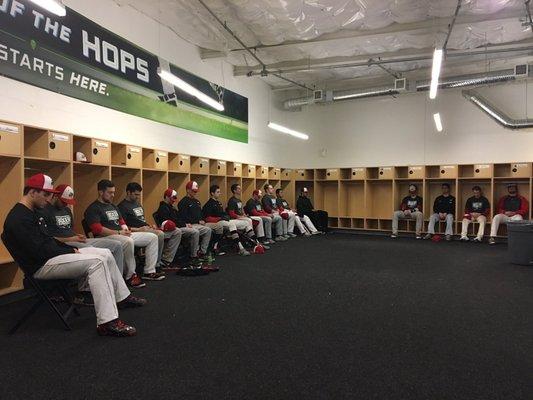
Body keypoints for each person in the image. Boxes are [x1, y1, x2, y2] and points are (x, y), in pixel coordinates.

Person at [2, 173, 145, 337]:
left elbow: (48, 241)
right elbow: (39, 251)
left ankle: (122, 297)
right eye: (46, 194)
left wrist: (68, 248)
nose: (49, 199)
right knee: (97, 262)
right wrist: (69, 250)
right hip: (41, 265)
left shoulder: (32, 212)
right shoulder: (19, 218)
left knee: (105, 253)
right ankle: (107, 322)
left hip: (51, 257)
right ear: (32, 192)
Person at [37, 184, 125, 305]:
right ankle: (84, 291)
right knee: (91, 250)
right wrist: (71, 238)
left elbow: (68, 229)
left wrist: (77, 236)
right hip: (63, 244)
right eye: (63, 201)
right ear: (55, 196)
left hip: (75, 239)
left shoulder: (67, 210)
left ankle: (117, 286)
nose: (66, 204)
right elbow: (48, 239)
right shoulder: (45, 211)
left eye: (67, 202)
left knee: (116, 245)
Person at [84, 179, 162, 287]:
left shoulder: (113, 206)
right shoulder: (93, 208)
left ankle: (149, 271)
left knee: (152, 237)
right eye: (110, 192)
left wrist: (126, 230)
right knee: (128, 241)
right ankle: (131, 276)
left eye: (113, 192)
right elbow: (97, 229)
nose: (113, 195)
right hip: (106, 237)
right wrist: (119, 233)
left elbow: (121, 222)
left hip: (120, 234)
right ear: (101, 192)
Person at [118, 182, 181, 271]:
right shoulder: (122, 207)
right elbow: (122, 227)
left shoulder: (138, 204)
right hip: (135, 232)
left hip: (145, 229)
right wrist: (138, 229)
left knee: (176, 231)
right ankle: (156, 264)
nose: (138, 197)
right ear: (128, 192)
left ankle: (166, 260)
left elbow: (141, 221)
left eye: (139, 195)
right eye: (136, 194)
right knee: (159, 234)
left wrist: (149, 225)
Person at [155, 188, 205, 265]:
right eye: (173, 198)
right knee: (194, 232)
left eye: (175, 198)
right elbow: (170, 222)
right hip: (170, 229)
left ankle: (193, 255)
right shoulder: (163, 208)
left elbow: (179, 218)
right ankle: (167, 259)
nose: (174, 200)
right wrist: (184, 225)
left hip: (177, 227)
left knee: (195, 230)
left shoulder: (171, 207)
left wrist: (185, 224)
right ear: (167, 197)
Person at [202, 185, 251, 256]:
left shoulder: (219, 203)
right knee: (231, 225)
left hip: (223, 221)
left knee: (246, 222)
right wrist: (220, 218)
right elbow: (207, 218)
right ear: (212, 193)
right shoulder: (209, 204)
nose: (220, 193)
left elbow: (223, 214)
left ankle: (253, 242)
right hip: (216, 222)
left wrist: (226, 216)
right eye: (218, 192)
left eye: (219, 192)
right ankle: (240, 247)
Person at [227, 183, 271, 248]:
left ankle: (256, 239)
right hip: (235, 219)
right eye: (238, 188)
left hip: (241, 218)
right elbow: (231, 214)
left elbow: (242, 211)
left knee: (250, 219)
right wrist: (241, 216)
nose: (240, 189)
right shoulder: (231, 200)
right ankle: (251, 240)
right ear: (234, 191)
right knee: (249, 220)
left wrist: (244, 215)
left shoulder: (239, 200)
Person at [177, 181, 213, 258]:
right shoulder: (183, 202)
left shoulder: (197, 201)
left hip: (198, 224)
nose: (195, 193)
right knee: (196, 232)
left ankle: (202, 252)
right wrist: (197, 221)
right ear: (188, 190)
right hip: (189, 224)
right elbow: (183, 216)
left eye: (196, 191)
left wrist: (203, 220)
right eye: (193, 191)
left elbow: (201, 214)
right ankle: (194, 255)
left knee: (208, 230)